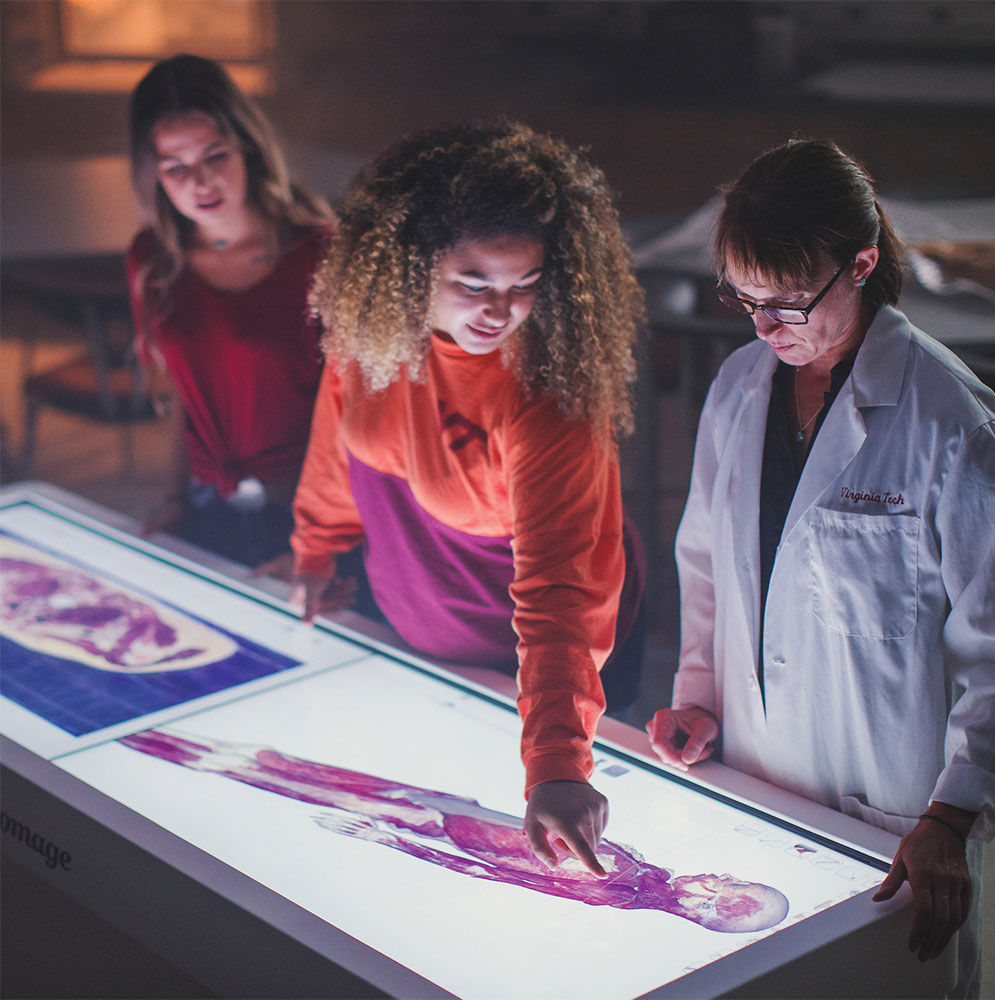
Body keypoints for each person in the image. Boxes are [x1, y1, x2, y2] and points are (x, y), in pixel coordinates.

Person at [646, 139, 995, 996]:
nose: (766, 329)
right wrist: (697, 695)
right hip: (752, 784)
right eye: (745, 299)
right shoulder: (737, 388)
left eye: (789, 303)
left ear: (863, 263)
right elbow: (706, 567)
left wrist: (950, 816)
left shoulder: (951, 423)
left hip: (892, 819)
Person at [286, 121, 646, 879]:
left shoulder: (550, 393)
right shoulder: (375, 329)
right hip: (412, 624)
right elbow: (337, 432)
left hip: (536, 656)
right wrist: (317, 546)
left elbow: (558, 593)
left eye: (525, 286)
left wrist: (555, 761)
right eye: (474, 284)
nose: (499, 311)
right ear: (409, 270)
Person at [120, 727, 789, 933]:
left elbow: (494, 869)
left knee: (294, 782)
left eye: (717, 906)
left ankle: (193, 755)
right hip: (462, 814)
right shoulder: (642, 872)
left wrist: (404, 843)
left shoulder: (620, 893)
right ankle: (198, 749)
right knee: (309, 770)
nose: (713, 886)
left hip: (449, 834)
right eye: (729, 888)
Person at [125, 54, 335, 566]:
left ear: (248, 146)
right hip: (204, 500)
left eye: (213, 156)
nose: (199, 182)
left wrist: (322, 533)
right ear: (153, 176)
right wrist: (174, 501)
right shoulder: (152, 261)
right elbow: (182, 392)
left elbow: (352, 410)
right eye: (175, 167)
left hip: (306, 509)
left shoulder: (322, 253)